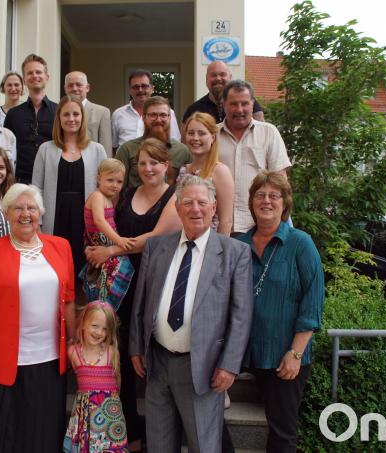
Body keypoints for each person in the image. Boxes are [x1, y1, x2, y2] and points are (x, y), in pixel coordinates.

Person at [129, 175, 253, 453]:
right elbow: (141, 303)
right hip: (157, 363)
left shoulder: (235, 253)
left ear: (213, 206)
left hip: (203, 368)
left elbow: (241, 315)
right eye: (187, 202)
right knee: (159, 444)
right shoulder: (156, 246)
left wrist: (230, 365)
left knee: (204, 445)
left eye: (201, 202)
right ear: (177, 206)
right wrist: (136, 347)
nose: (195, 209)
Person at [85, 138, 183, 452]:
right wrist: (94, 249)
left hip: (155, 285)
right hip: (121, 287)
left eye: (154, 162)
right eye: (142, 163)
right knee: (122, 360)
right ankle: (130, 435)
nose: (148, 168)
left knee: (155, 359)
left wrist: (109, 249)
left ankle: (165, 436)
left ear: (166, 165)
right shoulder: (126, 193)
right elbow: (102, 224)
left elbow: (155, 238)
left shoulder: (174, 197)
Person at [0, 183, 77, 452]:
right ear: (6, 213)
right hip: (5, 362)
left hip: (50, 361)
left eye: (32, 208)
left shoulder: (61, 247)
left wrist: (73, 342)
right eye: (18, 208)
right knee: (7, 438)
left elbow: (70, 301)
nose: (26, 214)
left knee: (45, 435)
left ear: (41, 213)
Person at [236, 171, 324, 453]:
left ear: (285, 203)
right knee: (207, 413)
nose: (266, 201)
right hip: (243, 352)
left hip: (284, 355)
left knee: (282, 432)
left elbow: (312, 302)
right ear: (251, 202)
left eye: (274, 196)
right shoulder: (238, 245)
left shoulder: (301, 243)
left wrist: (295, 354)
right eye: (260, 195)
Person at [32, 95, 107, 296]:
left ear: (82, 118)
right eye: (66, 114)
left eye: (76, 114)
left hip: (85, 221)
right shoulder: (45, 150)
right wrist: (37, 222)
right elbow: (36, 189)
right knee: (54, 271)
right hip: (55, 219)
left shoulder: (97, 150)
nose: (71, 118)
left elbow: (106, 190)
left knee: (84, 273)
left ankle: (82, 318)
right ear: (59, 119)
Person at [217, 80, 291, 235]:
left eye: (244, 103)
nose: (239, 109)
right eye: (233, 104)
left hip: (259, 228)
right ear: (223, 104)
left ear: (252, 103)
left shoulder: (268, 132)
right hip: (220, 229)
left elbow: (280, 182)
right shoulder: (211, 135)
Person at [63, 301, 129, 453]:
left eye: (105, 329)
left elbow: (117, 382)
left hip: (109, 414)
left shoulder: (111, 353)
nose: (99, 332)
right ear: (84, 323)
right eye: (94, 326)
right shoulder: (74, 353)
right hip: (84, 415)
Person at [78, 159, 136, 310]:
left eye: (119, 181)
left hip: (107, 244)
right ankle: (102, 309)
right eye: (110, 180)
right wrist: (119, 240)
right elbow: (99, 220)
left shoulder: (110, 199)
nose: (115, 185)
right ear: (98, 178)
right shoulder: (97, 196)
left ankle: (108, 309)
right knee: (107, 279)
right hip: (100, 243)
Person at [114, 96, 191, 189]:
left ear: (170, 118)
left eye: (163, 115)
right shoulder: (127, 149)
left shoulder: (182, 151)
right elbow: (117, 188)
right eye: (153, 115)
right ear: (144, 118)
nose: (158, 120)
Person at [3, 54, 58, 184]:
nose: (34, 76)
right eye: (30, 73)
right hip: (21, 182)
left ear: (47, 77)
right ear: (24, 80)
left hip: (52, 181)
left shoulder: (59, 111)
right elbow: (6, 150)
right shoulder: (13, 114)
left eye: (38, 72)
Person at [178, 111, 234, 236]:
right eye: (191, 133)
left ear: (213, 137)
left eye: (202, 133)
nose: (195, 138)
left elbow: (226, 220)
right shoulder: (183, 171)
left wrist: (218, 251)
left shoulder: (220, 171)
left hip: (209, 243)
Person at [111, 69, 181, 153]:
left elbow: (175, 142)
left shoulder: (168, 113)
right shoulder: (118, 114)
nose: (140, 90)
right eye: (136, 87)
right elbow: (114, 146)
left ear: (152, 88)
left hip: (156, 163)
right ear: (130, 90)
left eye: (144, 86)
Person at [182, 61, 264, 124]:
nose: (218, 78)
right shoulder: (193, 110)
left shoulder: (251, 105)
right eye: (213, 75)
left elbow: (260, 133)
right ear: (206, 80)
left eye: (222, 74)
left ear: (230, 78)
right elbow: (185, 141)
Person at [65, 70, 113, 157]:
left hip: (93, 166)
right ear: (65, 89)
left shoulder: (102, 112)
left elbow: (106, 148)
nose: (74, 88)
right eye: (70, 85)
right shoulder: (57, 111)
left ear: (87, 88)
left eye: (78, 85)